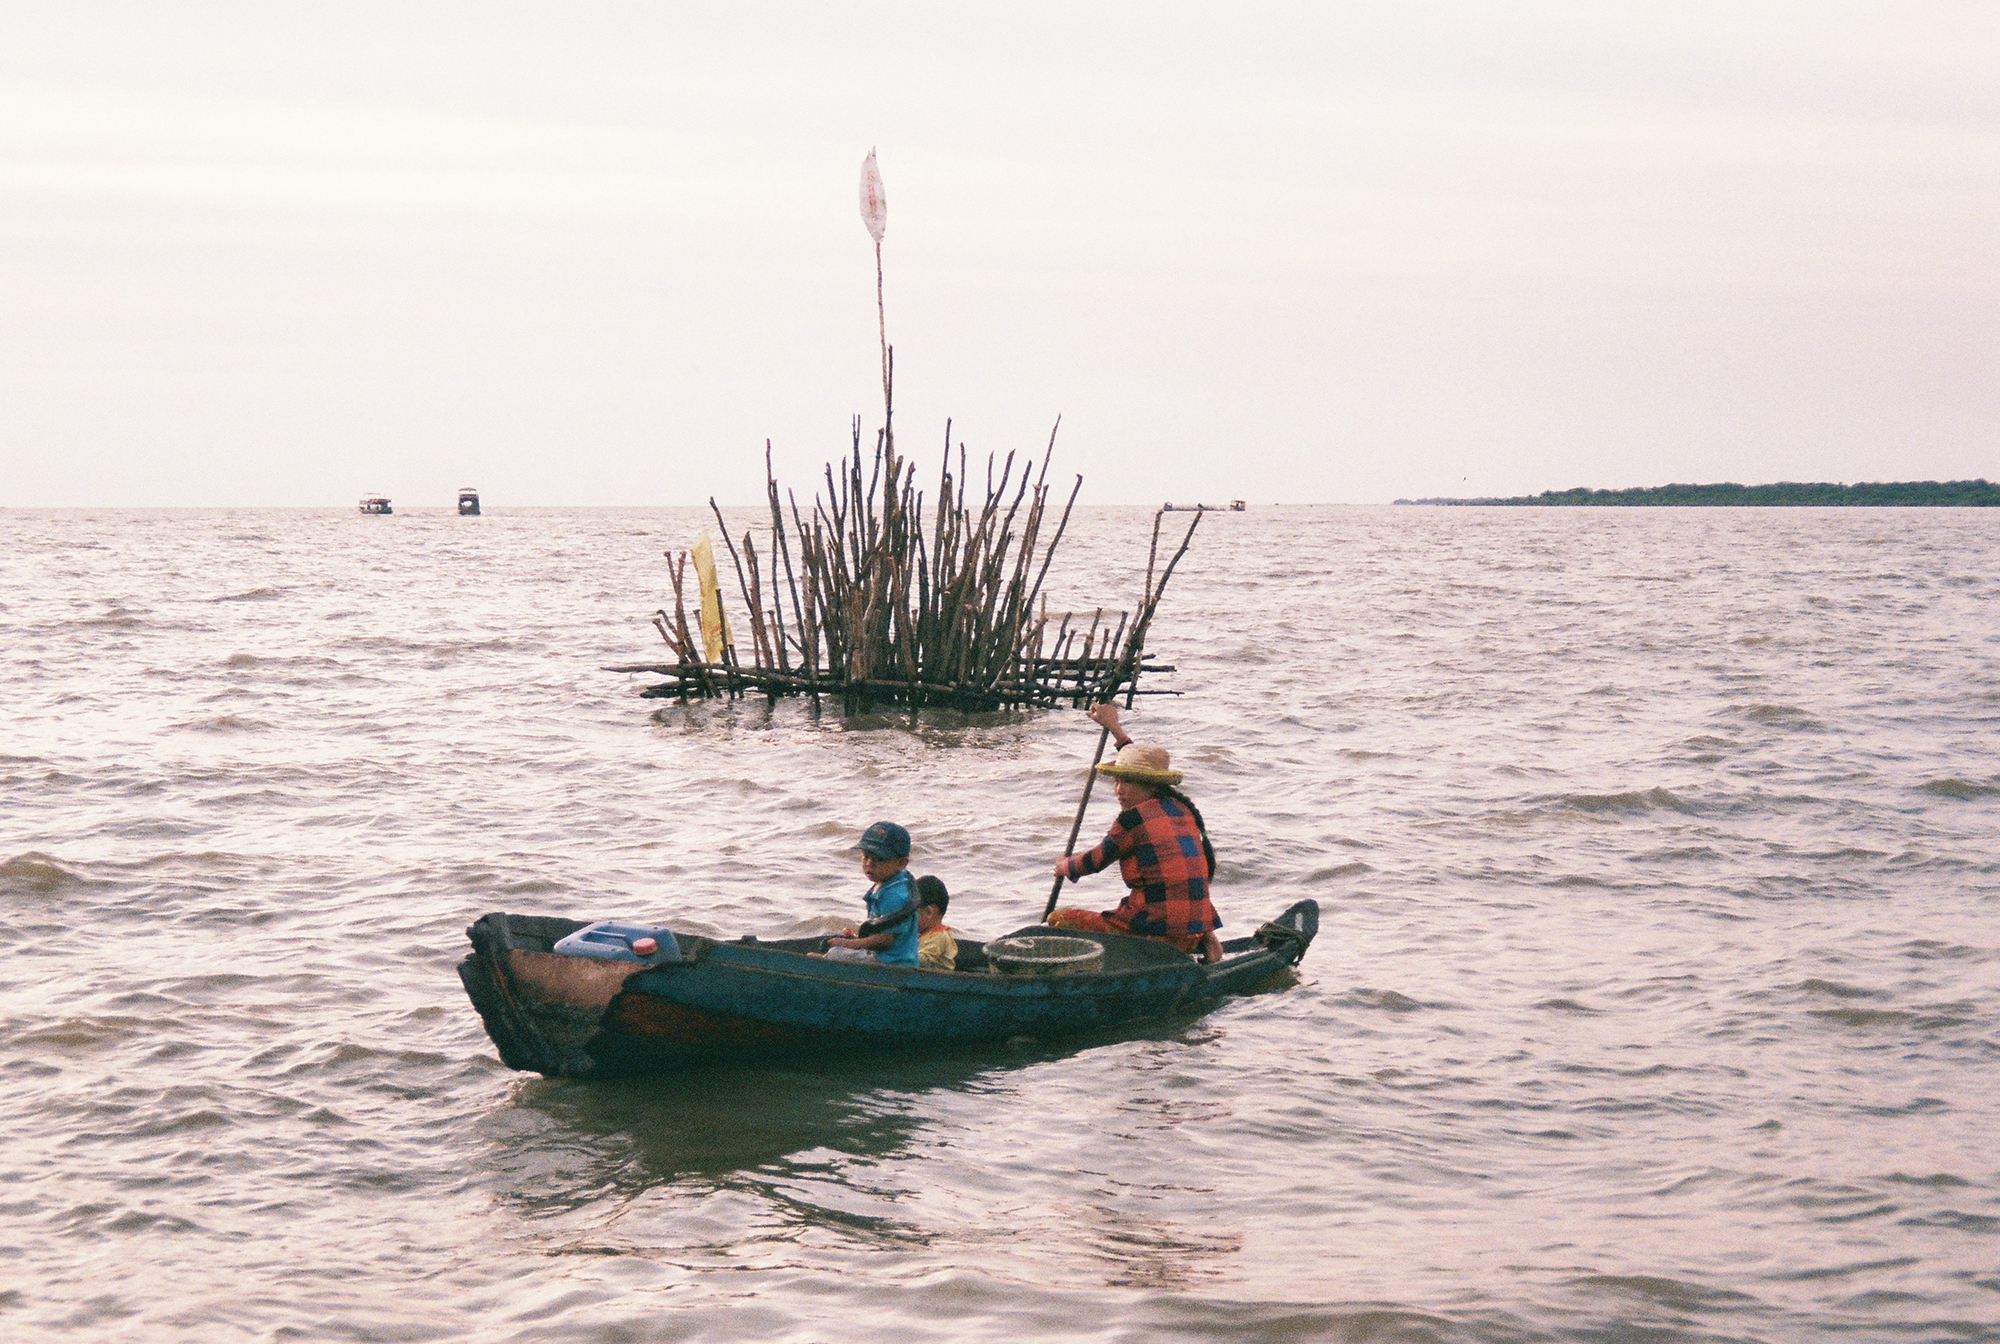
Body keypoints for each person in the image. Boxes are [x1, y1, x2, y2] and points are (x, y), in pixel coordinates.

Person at [1048, 702, 1224, 963]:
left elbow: (1094, 861)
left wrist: (1064, 866)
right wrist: (1115, 729)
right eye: (1117, 781)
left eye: (1128, 782)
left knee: (1057, 920)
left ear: (1151, 786)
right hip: (1194, 930)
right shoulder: (1182, 809)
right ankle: (1207, 939)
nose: (1119, 789)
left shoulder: (1133, 820)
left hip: (1158, 937)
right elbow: (1138, 759)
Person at [813, 821, 921, 967]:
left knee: (837, 953)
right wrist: (857, 939)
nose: (869, 863)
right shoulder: (888, 883)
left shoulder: (893, 895)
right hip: (883, 957)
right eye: (865, 856)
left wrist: (852, 944)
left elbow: (885, 940)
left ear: (901, 863)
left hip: (892, 964)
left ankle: (822, 962)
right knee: (839, 949)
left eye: (880, 859)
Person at [914, 875, 957, 970]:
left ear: (929, 912)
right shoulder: (925, 933)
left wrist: (901, 953)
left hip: (939, 981)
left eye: (912, 913)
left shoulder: (939, 937)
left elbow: (923, 960)